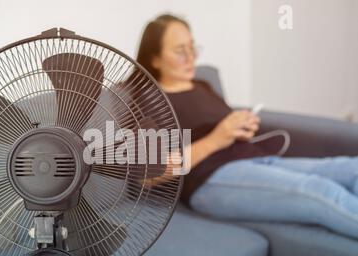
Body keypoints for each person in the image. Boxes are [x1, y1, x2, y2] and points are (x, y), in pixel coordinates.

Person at [136, 14, 358, 239]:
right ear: (154, 58)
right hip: (211, 180)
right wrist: (216, 139)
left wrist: (241, 127)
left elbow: (226, 128)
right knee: (320, 192)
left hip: (255, 160)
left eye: (192, 48)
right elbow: (148, 175)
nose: (191, 57)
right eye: (180, 51)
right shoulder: (150, 100)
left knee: (352, 169)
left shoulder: (202, 85)